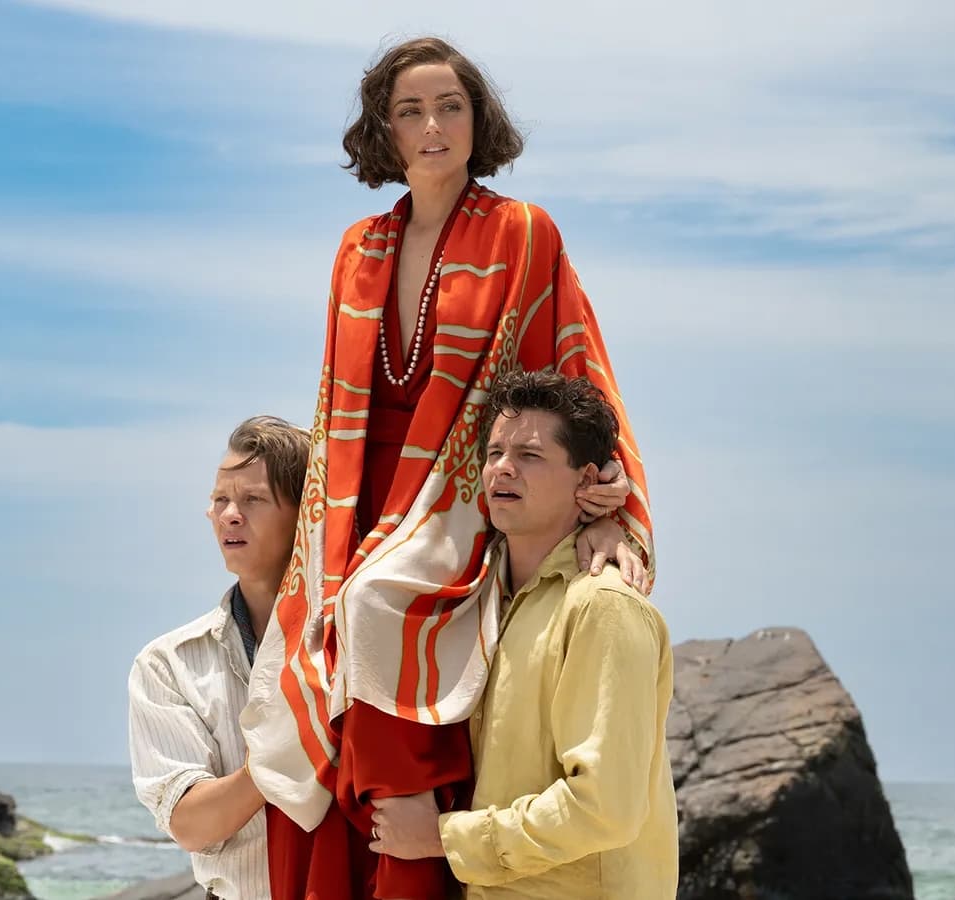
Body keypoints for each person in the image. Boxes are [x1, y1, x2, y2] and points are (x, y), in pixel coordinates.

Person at [241, 37, 655, 900]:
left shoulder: (522, 231)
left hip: (459, 482)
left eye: (450, 107)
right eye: (411, 111)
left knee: (374, 602)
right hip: (357, 488)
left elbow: (574, 365)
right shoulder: (358, 248)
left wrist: (609, 499)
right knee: (302, 648)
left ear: (477, 119)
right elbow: (335, 399)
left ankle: (413, 859)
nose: (433, 126)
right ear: (384, 131)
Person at [367, 370, 677, 899]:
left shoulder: (602, 607)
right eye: (494, 453)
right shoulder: (476, 600)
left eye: (529, 455)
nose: (503, 468)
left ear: (588, 481)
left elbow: (603, 808)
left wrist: (442, 838)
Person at [128, 416, 313, 900]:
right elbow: (191, 824)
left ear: (306, 514)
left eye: (253, 499)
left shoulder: (349, 642)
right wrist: (285, 750)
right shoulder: (169, 663)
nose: (230, 515)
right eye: (220, 500)